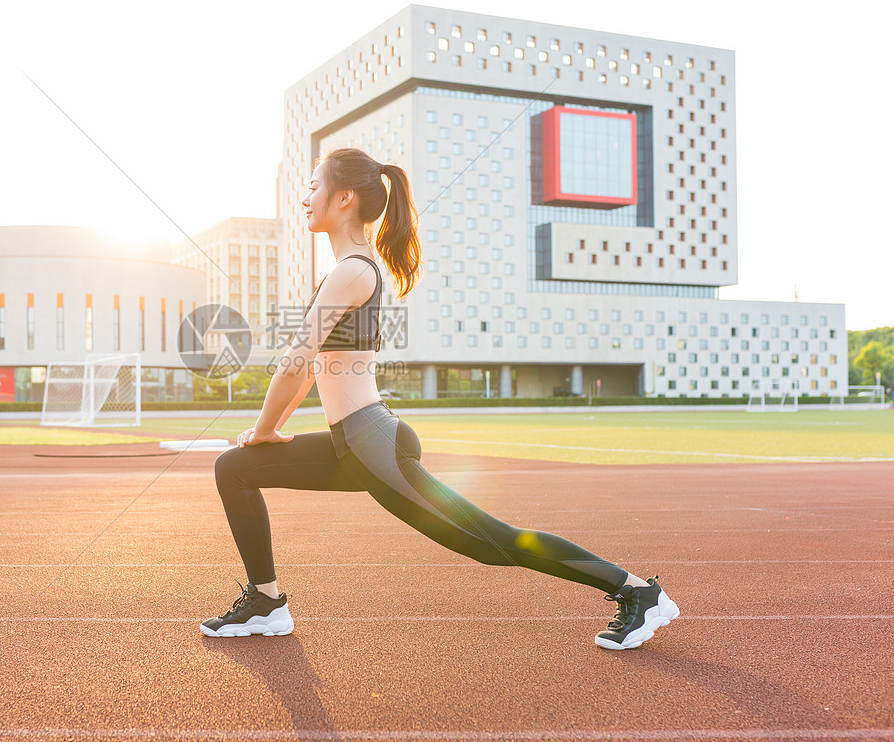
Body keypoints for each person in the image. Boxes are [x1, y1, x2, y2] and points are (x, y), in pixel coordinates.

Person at [200, 147, 679, 650]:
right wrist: (266, 433)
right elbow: (308, 370)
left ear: (343, 198)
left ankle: (637, 592)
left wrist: (265, 430)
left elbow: (295, 360)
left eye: (313, 186)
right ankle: (266, 602)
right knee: (235, 468)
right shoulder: (347, 270)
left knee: (493, 543)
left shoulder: (353, 271)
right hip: (353, 442)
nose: (305, 197)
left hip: (371, 444)